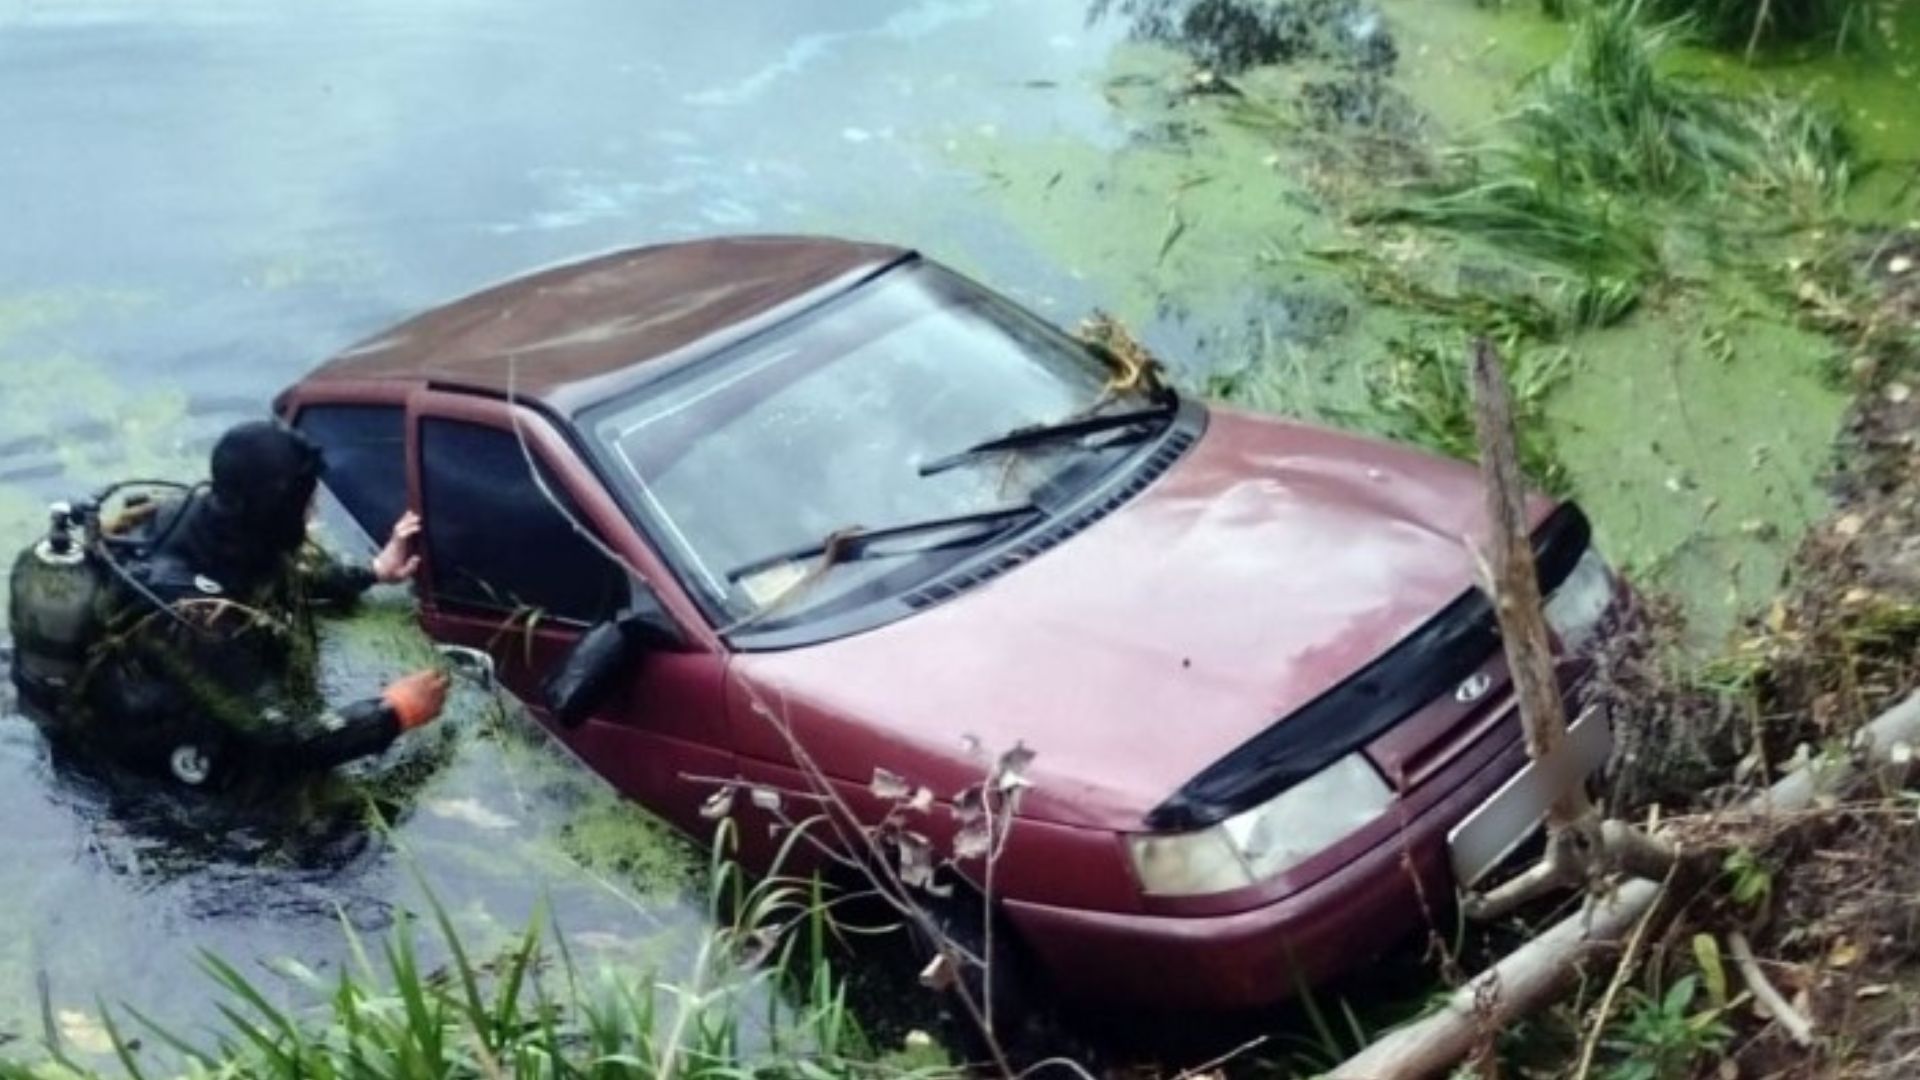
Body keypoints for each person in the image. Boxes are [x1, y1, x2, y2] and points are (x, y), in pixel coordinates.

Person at [15, 420, 449, 795]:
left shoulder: (210, 518)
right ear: (275, 510)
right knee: (332, 844)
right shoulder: (196, 621)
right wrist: (393, 711)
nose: (314, 511)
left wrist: (372, 571)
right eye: (304, 503)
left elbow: (278, 566)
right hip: (148, 760)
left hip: (168, 678)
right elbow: (283, 740)